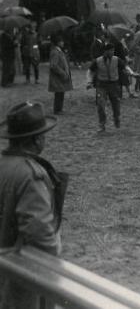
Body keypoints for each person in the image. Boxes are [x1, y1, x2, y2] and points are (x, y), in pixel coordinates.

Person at [0, 101, 67, 309]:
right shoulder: (31, 176)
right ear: (37, 140)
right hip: (22, 275)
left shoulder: (4, 164)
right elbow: (40, 234)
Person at [87, 43, 136, 133]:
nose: (112, 52)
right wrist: (89, 82)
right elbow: (90, 71)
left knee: (116, 105)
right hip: (101, 85)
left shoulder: (116, 60)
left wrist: (132, 73)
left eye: (113, 50)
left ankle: (116, 117)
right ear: (105, 51)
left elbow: (125, 67)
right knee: (101, 105)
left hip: (114, 85)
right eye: (110, 51)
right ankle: (102, 125)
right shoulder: (98, 61)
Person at [48, 34, 73, 115]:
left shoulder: (59, 51)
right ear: (58, 42)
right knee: (58, 94)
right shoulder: (55, 52)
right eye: (61, 41)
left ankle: (59, 109)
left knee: (61, 92)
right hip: (58, 77)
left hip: (61, 77)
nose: (63, 43)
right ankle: (57, 110)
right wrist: (62, 73)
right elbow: (53, 65)